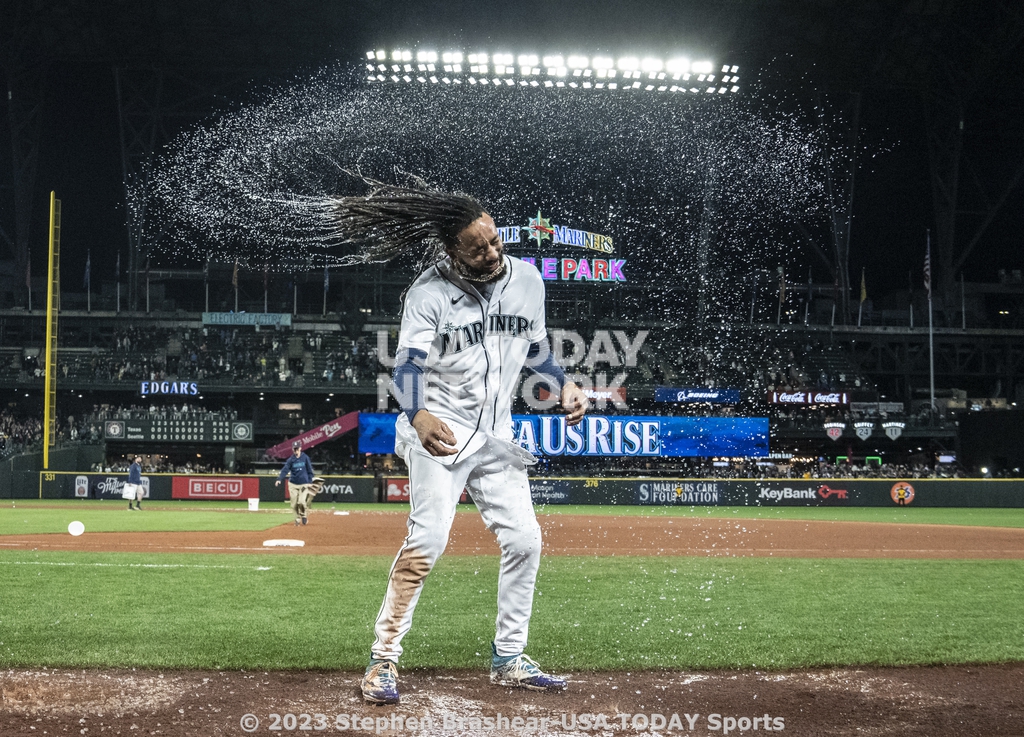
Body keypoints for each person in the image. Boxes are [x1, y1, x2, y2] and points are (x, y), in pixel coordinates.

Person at [327, 178, 588, 705]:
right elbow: (406, 366)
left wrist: (562, 383)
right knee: (427, 544)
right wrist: (418, 414)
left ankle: (510, 657)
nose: (491, 251)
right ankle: (383, 661)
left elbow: (536, 350)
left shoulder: (529, 280)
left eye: (493, 240)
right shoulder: (427, 293)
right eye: (477, 247)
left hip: (496, 438)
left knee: (525, 541)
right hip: (440, 434)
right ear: (452, 250)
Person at [275, 441, 316, 525]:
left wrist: (310, 481)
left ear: (300, 448)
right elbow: (285, 469)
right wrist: (279, 479)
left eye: (297, 448)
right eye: (294, 449)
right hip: (293, 484)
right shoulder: (291, 460)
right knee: (294, 504)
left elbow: (309, 470)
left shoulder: (305, 457)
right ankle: (297, 518)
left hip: (303, 483)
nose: (296, 450)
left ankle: (304, 515)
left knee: (301, 502)